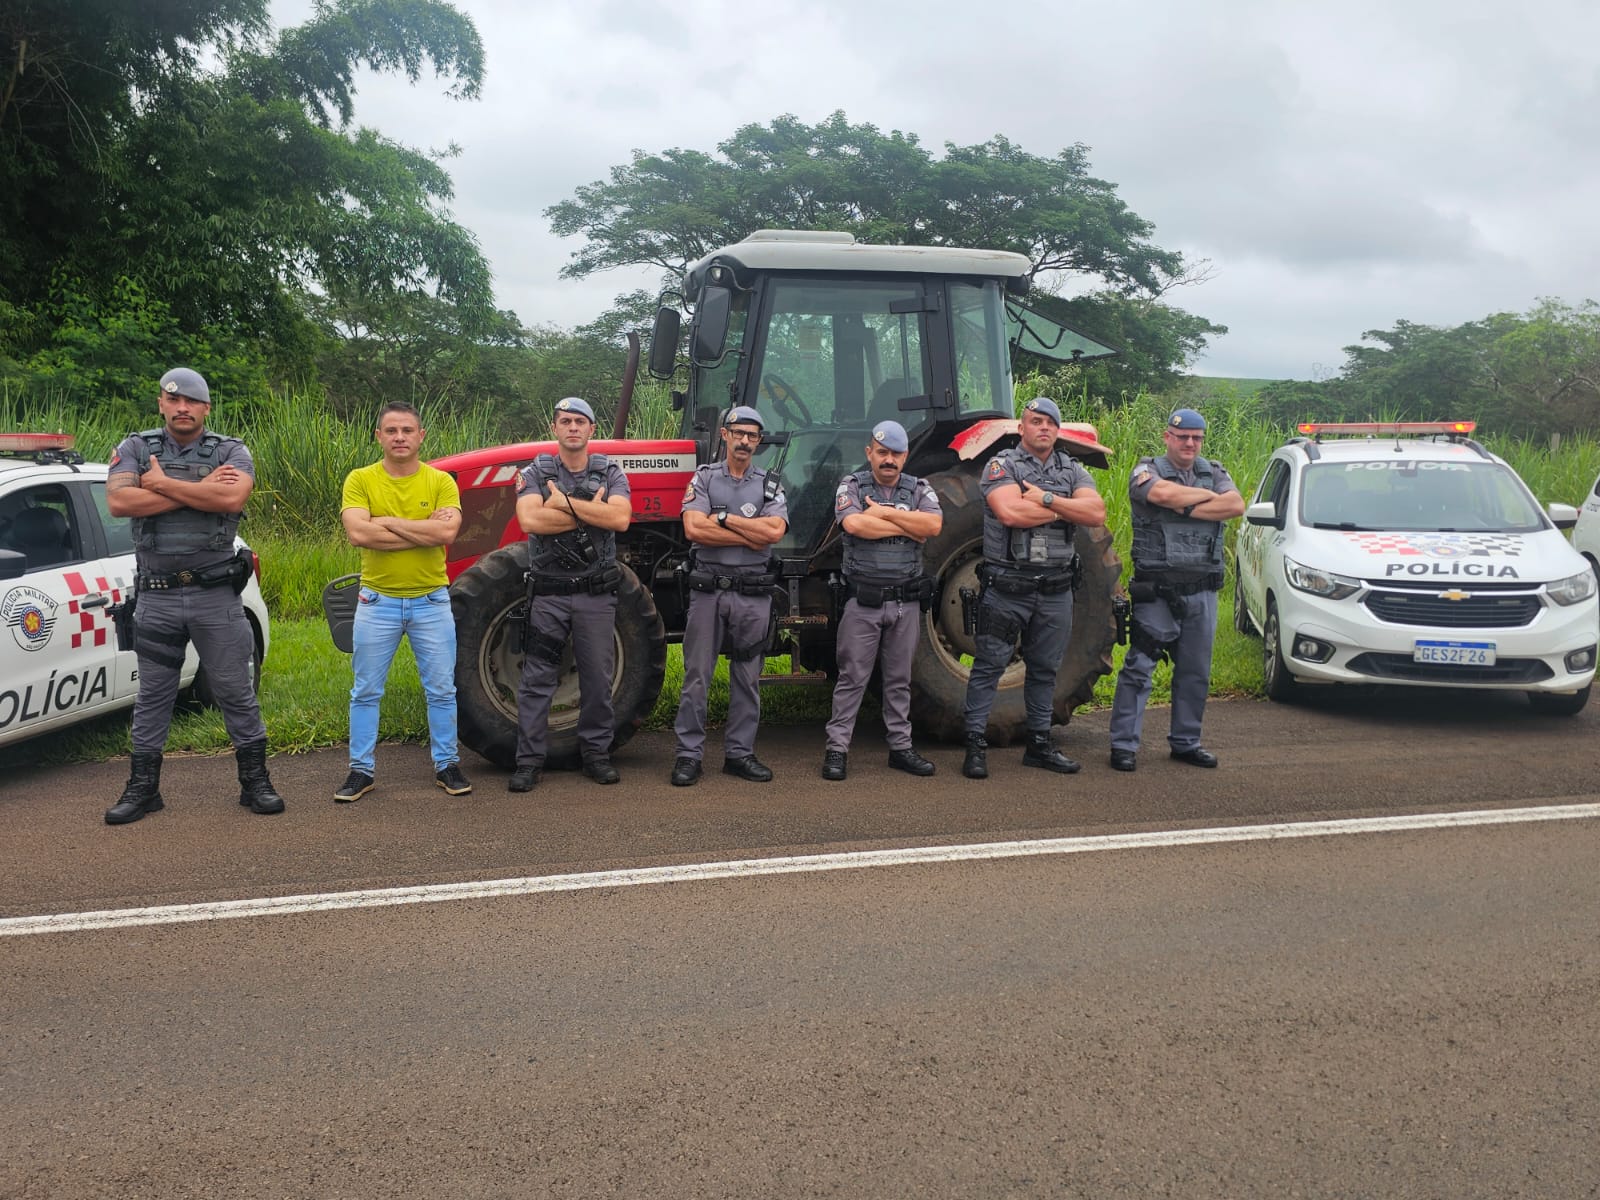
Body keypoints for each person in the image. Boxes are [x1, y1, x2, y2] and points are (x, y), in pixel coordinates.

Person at [103, 367, 285, 824]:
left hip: (215, 597)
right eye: (174, 400)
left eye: (192, 401)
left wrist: (160, 484)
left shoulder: (230, 450)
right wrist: (202, 490)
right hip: (157, 599)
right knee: (153, 696)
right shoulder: (135, 448)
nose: (182, 408)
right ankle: (143, 790)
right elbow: (121, 503)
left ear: (206, 408)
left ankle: (255, 783)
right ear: (162, 404)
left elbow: (232, 500)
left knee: (235, 690)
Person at [960, 396, 1106, 780]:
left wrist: (1043, 498)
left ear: (1058, 431)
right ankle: (974, 745)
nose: (1043, 428)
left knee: (1044, 669)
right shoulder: (1000, 465)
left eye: (1050, 423)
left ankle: (1039, 745)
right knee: (989, 665)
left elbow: (1096, 513)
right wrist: (1066, 506)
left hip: (1056, 590)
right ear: (1021, 428)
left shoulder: (1071, 469)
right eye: (1035, 421)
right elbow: (1010, 512)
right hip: (1008, 589)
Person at [336, 400, 470, 801]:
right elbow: (359, 534)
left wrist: (387, 522)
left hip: (432, 601)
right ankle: (361, 770)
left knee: (442, 689)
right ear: (379, 436)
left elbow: (445, 536)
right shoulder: (360, 480)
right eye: (391, 431)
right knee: (365, 691)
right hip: (378, 603)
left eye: (407, 431)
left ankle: (447, 764)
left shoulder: (440, 482)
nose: (399, 437)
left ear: (420, 436)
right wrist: (420, 528)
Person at [1108, 408, 1245, 771]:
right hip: (1159, 590)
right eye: (1182, 436)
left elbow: (1235, 505)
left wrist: (1184, 506)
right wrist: (1202, 501)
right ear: (1168, 436)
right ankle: (1123, 745)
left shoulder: (1214, 470)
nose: (1189, 443)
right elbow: (1161, 494)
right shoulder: (1146, 468)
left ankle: (1186, 742)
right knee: (1140, 667)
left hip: (1203, 589)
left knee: (1195, 671)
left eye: (1196, 438)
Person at [508, 396, 632, 791]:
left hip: (596, 595)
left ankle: (596, 756)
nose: (573, 427)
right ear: (554, 428)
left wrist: (560, 503)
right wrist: (584, 508)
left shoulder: (612, 472)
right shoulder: (534, 472)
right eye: (566, 421)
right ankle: (528, 762)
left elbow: (620, 518)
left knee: (597, 678)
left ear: (592, 429)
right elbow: (530, 519)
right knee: (537, 678)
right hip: (549, 595)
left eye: (581, 421)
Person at [669, 406, 788, 787]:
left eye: (753, 435)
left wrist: (723, 520)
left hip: (753, 594)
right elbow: (692, 528)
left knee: (747, 678)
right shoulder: (704, 479)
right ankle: (689, 756)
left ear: (758, 441)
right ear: (725, 435)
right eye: (739, 433)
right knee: (697, 677)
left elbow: (773, 533)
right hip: (708, 593)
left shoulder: (769, 484)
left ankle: (739, 755)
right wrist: (748, 533)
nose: (745, 441)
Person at [821, 421, 943, 781]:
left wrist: (885, 513)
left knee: (899, 680)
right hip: (864, 603)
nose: (889, 460)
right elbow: (855, 526)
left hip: (905, 605)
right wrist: (909, 524)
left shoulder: (919, 487)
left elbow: (933, 527)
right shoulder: (852, 485)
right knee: (852, 678)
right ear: (869, 453)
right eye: (883, 452)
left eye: (896, 454)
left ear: (905, 456)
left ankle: (901, 749)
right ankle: (837, 749)